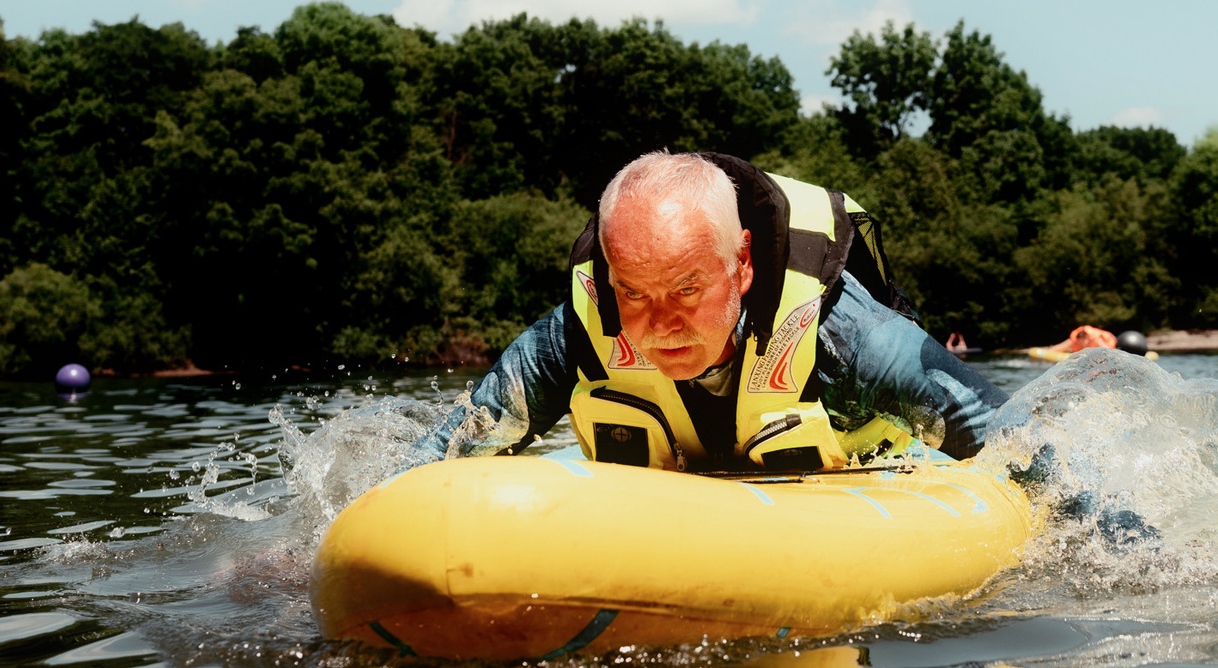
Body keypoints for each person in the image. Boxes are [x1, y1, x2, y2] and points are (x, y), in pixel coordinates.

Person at [428, 150, 1011, 471]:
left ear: (744, 264)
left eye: (686, 289)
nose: (660, 326)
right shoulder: (574, 335)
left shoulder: (853, 339)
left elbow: (1026, 445)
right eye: (632, 292)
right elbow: (444, 453)